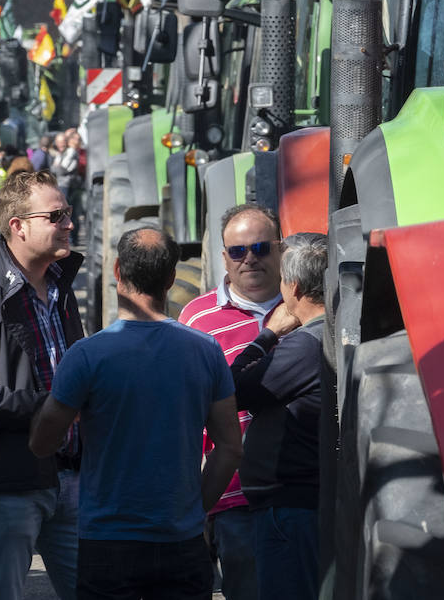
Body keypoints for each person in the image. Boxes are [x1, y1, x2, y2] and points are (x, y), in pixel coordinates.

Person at [28, 228, 243, 600]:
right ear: (172, 278)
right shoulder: (205, 351)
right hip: (181, 539)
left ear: (116, 271)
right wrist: (196, 509)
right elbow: (229, 448)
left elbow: (43, 443)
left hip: (107, 542)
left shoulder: (86, 356)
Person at [0, 170, 84, 600]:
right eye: (56, 215)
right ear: (18, 225)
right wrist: (52, 406)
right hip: (9, 485)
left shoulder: (61, 289)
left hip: (70, 479)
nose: (69, 222)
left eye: (67, 213)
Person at [177, 205, 284, 600]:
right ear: (224, 257)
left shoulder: (308, 306)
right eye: (238, 251)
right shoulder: (197, 321)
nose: (250, 258)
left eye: (260, 247)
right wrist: (195, 504)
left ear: (280, 248)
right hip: (234, 497)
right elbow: (186, 418)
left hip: (305, 489)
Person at [229, 233, 327, 600]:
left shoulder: (304, 344)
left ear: (295, 286)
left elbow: (235, 388)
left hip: (290, 511)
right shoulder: (320, 338)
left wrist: (267, 335)